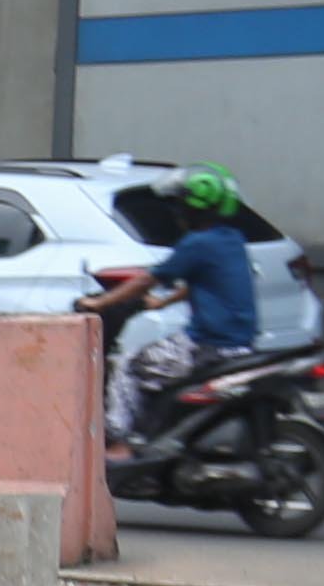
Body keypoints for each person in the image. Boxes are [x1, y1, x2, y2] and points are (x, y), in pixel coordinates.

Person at [84, 165, 262, 454]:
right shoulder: (231, 240)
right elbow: (204, 281)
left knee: (130, 364)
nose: (176, 212)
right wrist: (164, 302)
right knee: (157, 369)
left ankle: (119, 443)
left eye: (180, 205)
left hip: (208, 345)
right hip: (240, 344)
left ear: (192, 210)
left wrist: (101, 303)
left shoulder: (197, 244)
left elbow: (147, 280)